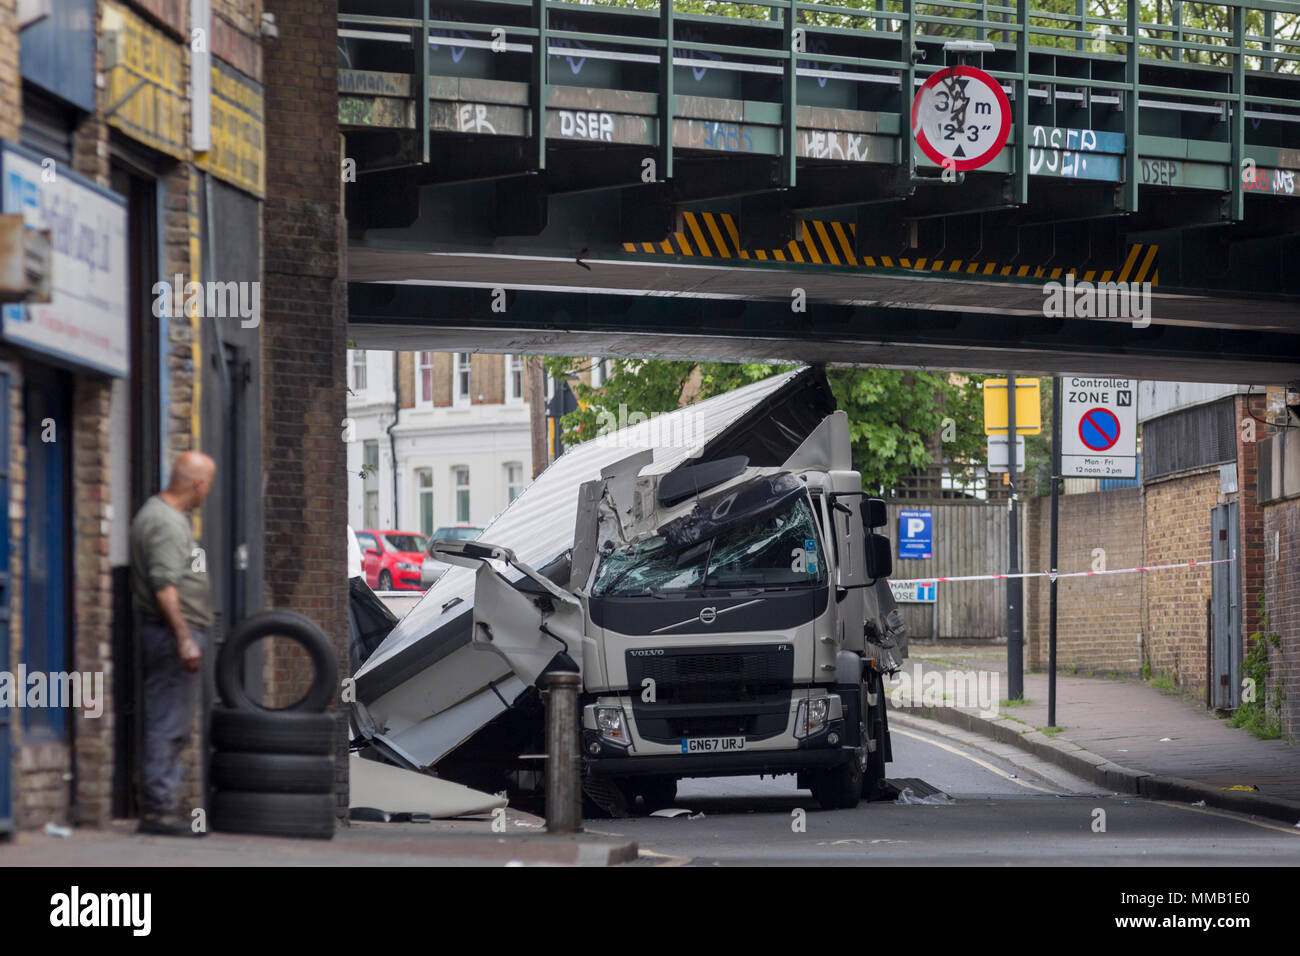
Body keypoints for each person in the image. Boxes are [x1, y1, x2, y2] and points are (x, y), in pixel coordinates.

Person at [129, 451, 216, 835]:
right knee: (167, 721)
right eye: (208, 484)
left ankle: (163, 807)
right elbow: (164, 585)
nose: (208, 492)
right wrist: (184, 638)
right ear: (198, 484)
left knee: (175, 722)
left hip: (172, 633)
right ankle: (159, 812)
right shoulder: (164, 522)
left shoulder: (171, 518)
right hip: (169, 634)